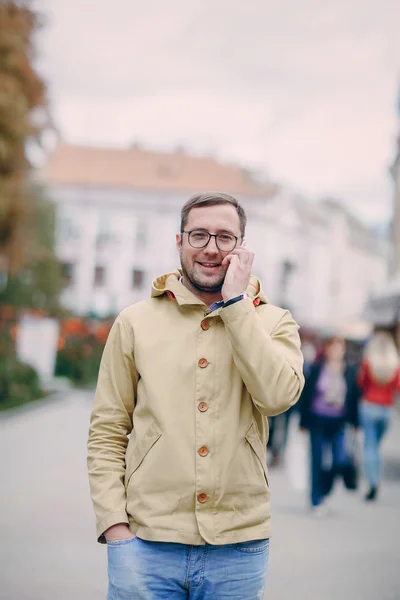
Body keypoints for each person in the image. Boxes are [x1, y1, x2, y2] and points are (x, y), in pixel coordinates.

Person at [87, 192, 305, 600]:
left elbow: (278, 397)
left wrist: (237, 305)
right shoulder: (135, 321)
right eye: (199, 235)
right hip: (147, 542)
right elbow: (108, 430)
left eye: (225, 238)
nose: (210, 248)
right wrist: (114, 526)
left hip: (238, 546)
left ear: (242, 248)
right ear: (179, 242)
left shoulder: (274, 322)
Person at [299, 337, 360, 514]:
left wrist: (356, 423)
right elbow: (307, 395)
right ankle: (315, 499)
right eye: (332, 347)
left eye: (339, 347)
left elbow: (354, 397)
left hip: (338, 422)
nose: (335, 350)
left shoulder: (349, 370)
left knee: (339, 460)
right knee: (317, 460)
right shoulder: (317, 368)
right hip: (317, 420)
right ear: (326, 349)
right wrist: (303, 422)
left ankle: (324, 489)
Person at [357, 330, 400, 501]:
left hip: (369, 405)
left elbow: (361, 383)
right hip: (387, 409)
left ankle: (372, 481)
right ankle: (376, 478)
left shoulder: (368, 363)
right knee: (376, 447)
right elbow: (397, 388)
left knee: (370, 446)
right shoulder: (394, 365)